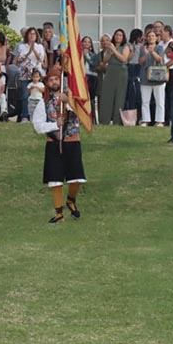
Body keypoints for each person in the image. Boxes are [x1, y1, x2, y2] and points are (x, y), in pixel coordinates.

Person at [33, 67, 86, 223]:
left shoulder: (72, 98)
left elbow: (81, 112)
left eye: (57, 79)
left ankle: (71, 200)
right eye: (51, 80)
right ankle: (58, 212)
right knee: (55, 178)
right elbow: (38, 126)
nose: (54, 82)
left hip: (72, 140)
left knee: (76, 177)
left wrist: (67, 101)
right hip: (54, 144)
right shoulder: (43, 102)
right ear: (48, 83)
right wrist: (55, 125)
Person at [98, 32, 130, 126]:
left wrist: (115, 51)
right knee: (107, 96)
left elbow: (124, 59)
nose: (118, 37)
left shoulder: (125, 46)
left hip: (121, 72)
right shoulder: (110, 47)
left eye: (120, 35)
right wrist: (110, 51)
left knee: (119, 96)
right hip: (110, 72)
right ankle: (104, 120)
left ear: (123, 37)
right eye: (116, 35)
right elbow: (104, 61)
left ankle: (117, 121)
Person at [140, 29, 166, 126]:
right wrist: (146, 53)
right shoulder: (143, 48)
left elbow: (160, 59)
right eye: (149, 36)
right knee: (145, 100)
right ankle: (146, 120)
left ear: (156, 38)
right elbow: (140, 62)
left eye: (153, 36)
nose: (151, 38)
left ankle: (159, 121)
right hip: (145, 77)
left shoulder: (159, 48)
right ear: (146, 38)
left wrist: (152, 52)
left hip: (158, 77)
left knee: (159, 100)